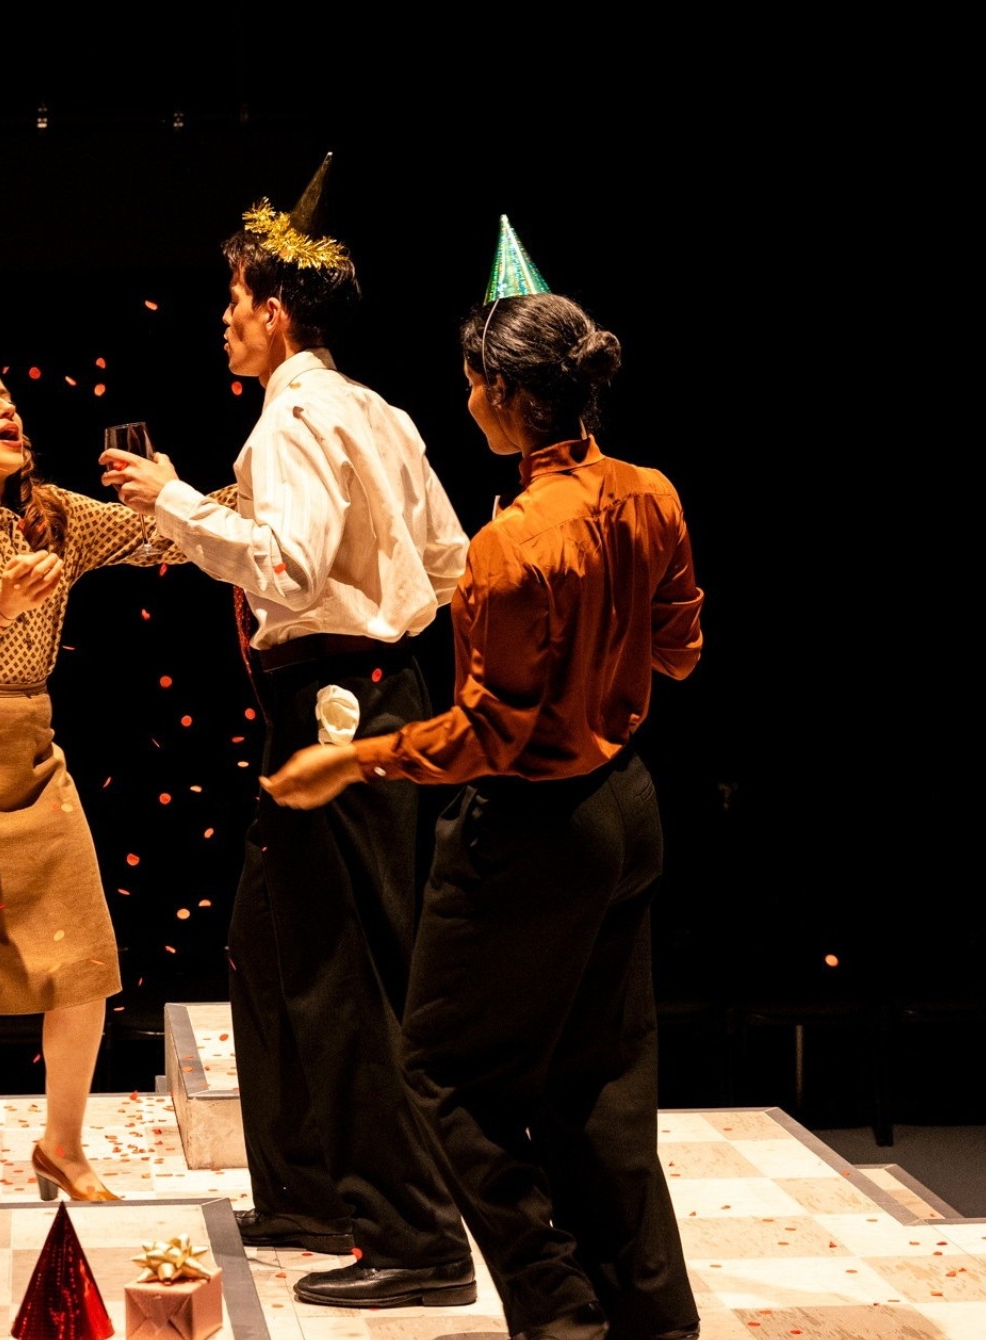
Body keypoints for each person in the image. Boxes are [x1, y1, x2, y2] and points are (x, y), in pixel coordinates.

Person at [262, 254, 706, 1340]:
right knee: (600, 1081)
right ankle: (651, 1316)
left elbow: (487, 735)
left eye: (471, 383)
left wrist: (353, 760)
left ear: (505, 394)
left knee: (440, 1075)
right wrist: (605, 663)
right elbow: (681, 650)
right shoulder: (649, 490)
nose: (465, 401)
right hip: (628, 807)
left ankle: (558, 1311)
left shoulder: (512, 544)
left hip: (534, 826)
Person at [102, 158, 477, 1309]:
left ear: (273, 311)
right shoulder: (377, 409)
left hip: (333, 700)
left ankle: (414, 1235)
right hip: (377, 686)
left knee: (339, 967)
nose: (221, 321)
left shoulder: (293, 422)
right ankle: (309, 1186)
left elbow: (289, 566)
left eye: (232, 302)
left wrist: (175, 501)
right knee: (266, 948)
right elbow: (450, 560)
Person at [0, 362, 178, 1206]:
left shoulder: (49, 514)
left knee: (83, 963)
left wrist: (183, 494)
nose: (6, 410)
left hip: (32, 745)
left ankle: (63, 1149)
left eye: (7, 400)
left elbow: (166, 540)